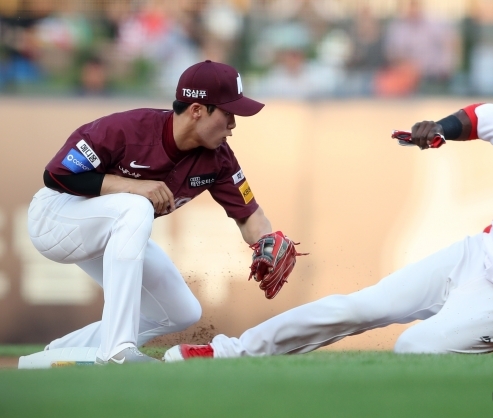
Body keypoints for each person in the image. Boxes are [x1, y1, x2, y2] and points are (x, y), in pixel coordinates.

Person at [164, 71, 493, 361]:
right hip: (474, 256)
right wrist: (438, 129)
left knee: (414, 349)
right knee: (356, 307)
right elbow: (482, 118)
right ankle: (225, 354)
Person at [26, 60, 300, 366]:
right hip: (55, 216)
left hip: (106, 231)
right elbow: (56, 175)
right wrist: (132, 186)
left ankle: (56, 356)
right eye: (228, 114)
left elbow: (249, 214)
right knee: (136, 204)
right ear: (197, 110)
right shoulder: (128, 129)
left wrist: (269, 240)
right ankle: (117, 350)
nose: (234, 125)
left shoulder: (219, 159)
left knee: (180, 311)